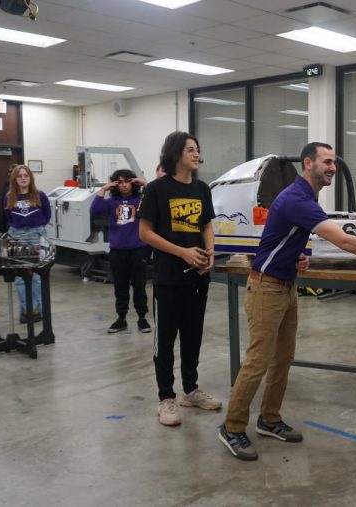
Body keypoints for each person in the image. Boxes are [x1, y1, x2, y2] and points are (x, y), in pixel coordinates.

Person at [217, 142, 356, 462]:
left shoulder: (305, 197)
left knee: (283, 358)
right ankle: (232, 426)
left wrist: (296, 255)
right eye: (326, 161)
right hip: (267, 289)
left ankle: (269, 418)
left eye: (334, 162)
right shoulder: (297, 198)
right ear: (307, 163)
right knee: (258, 361)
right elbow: (342, 240)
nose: (332, 167)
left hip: (285, 286)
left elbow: (279, 236)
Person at [138, 131, 221, 427]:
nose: (197, 154)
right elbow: (145, 233)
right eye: (190, 150)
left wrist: (209, 252)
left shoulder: (201, 188)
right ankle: (166, 398)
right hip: (168, 277)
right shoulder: (156, 189)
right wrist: (182, 252)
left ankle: (191, 390)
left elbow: (207, 224)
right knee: (166, 340)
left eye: (197, 149)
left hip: (198, 278)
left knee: (193, 336)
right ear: (175, 154)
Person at [90, 169, 151, 334]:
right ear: (116, 184)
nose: (124, 185)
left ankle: (142, 318)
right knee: (120, 286)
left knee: (139, 286)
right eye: (120, 182)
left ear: (133, 183)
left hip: (138, 249)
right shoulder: (112, 202)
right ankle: (121, 318)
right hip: (118, 250)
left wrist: (145, 183)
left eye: (127, 181)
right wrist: (104, 188)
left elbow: (154, 199)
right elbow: (95, 210)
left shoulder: (140, 200)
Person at [4, 165, 51, 324]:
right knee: (20, 276)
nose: (23, 178)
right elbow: (8, 217)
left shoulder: (40, 195)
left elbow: (47, 215)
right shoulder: (9, 197)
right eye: (20, 176)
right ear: (15, 179)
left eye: (26, 175)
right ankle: (26, 310)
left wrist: (37, 228)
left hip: (36, 234)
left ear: (30, 178)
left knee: (37, 275)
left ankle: (39, 309)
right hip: (16, 235)